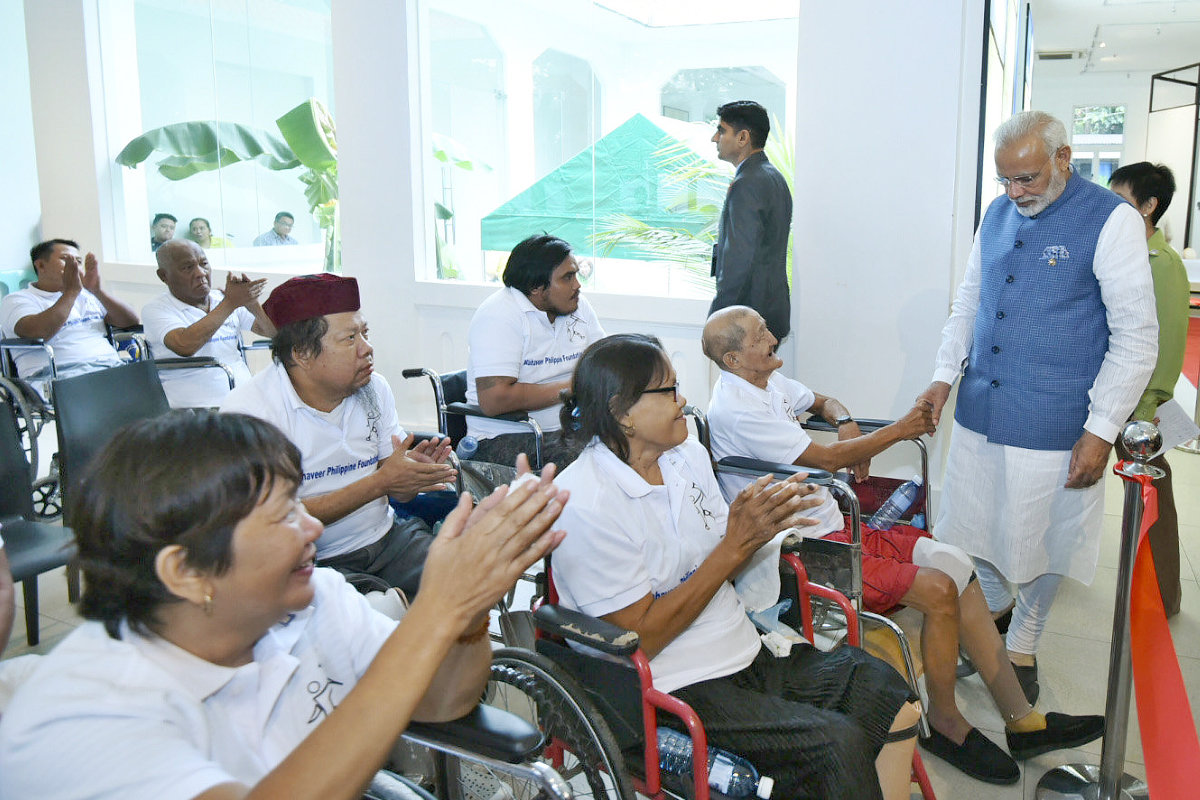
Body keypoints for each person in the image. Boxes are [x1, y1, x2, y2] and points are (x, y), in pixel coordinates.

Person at [0, 410, 568, 799]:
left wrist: (469, 610)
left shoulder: (315, 601)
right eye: (283, 515)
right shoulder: (84, 714)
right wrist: (436, 610)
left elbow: (444, 702)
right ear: (185, 570)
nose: (313, 527)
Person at [703, 305, 1105, 784]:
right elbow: (827, 460)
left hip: (835, 524)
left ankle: (1023, 721)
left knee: (955, 563)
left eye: (767, 328)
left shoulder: (766, 383)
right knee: (938, 588)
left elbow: (823, 402)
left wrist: (845, 419)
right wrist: (900, 429)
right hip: (801, 550)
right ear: (733, 359)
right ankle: (946, 724)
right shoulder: (736, 409)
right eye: (760, 335)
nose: (773, 337)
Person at [552, 333, 923, 800]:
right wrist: (733, 547)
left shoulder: (686, 456)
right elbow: (639, 640)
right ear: (622, 411)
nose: (682, 400)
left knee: (885, 691)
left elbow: (719, 559)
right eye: (669, 390)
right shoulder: (586, 502)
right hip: (673, 686)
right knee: (836, 746)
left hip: (743, 651)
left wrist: (759, 528)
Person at [918, 110, 1157, 704]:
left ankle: (1023, 641)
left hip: (1057, 416)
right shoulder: (998, 213)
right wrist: (943, 377)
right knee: (978, 525)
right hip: (982, 408)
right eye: (1004, 179)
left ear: (1063, 158)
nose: (1014, 192)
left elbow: (1136, 337)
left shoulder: (1112, 220)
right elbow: (969, 301)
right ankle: (995, 610)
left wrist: (1102, 430)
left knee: (1047, 535)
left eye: (1026, 178)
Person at [220, 274, 455, 600]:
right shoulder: (251, 413)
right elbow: (271, 519)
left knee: (463, 576)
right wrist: (380, 483)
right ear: (302, 353)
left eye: (365, 333)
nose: (367, 348)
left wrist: (410, 477)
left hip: (388, 539)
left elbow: (397, 492)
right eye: (350, 338)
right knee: (375, 615)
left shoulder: (374, 388)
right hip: (309, 561)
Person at [1109, 162, 1189, 617]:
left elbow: (1169, 342)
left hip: (1139, 408)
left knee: (1153, 498)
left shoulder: (1164, 263)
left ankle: (1164, 597)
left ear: (1148, 205)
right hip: (1111, 395)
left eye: (1120, 200)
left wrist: (1147, 408)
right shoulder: (1125, 253)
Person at [465, 234, 605, 468]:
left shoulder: (577, 306)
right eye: (567, 277)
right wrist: (576, 386)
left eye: (576, 275)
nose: (577, 285)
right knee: (590, 464)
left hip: (568, 428)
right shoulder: (499, 315)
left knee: (636, 443)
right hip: (506, 437)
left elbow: (602, 362)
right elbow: (494, 399)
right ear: (536, 288)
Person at [143, 240, 276, 408]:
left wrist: (253, 304)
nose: (200, 273)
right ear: (164, 276)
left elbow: (273, 333)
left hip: (246, 400)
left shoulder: (222, 299)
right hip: (197, 410)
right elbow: (184, 345)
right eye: (187, 268)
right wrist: (229, 304)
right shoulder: (156, 309)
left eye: (204, 264)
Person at [708, 100, 792, 342]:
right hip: (769, 312)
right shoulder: (773, 177)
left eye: (722, 130)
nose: (715, 138)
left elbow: (739, 259)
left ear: (743, 137)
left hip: (746, 321)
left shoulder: (747, 183)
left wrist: (717, 319)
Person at [0, 239, 138, 385]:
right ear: (40, 265)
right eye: (67, 260)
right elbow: (37, 332)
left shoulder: (87, 295)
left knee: (148, 383)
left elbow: (130, 321)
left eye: (78, 261)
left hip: (111, 368)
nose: (75, 266)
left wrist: (97, 291)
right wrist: (71, 292)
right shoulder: (17, 299)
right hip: (59, 376)